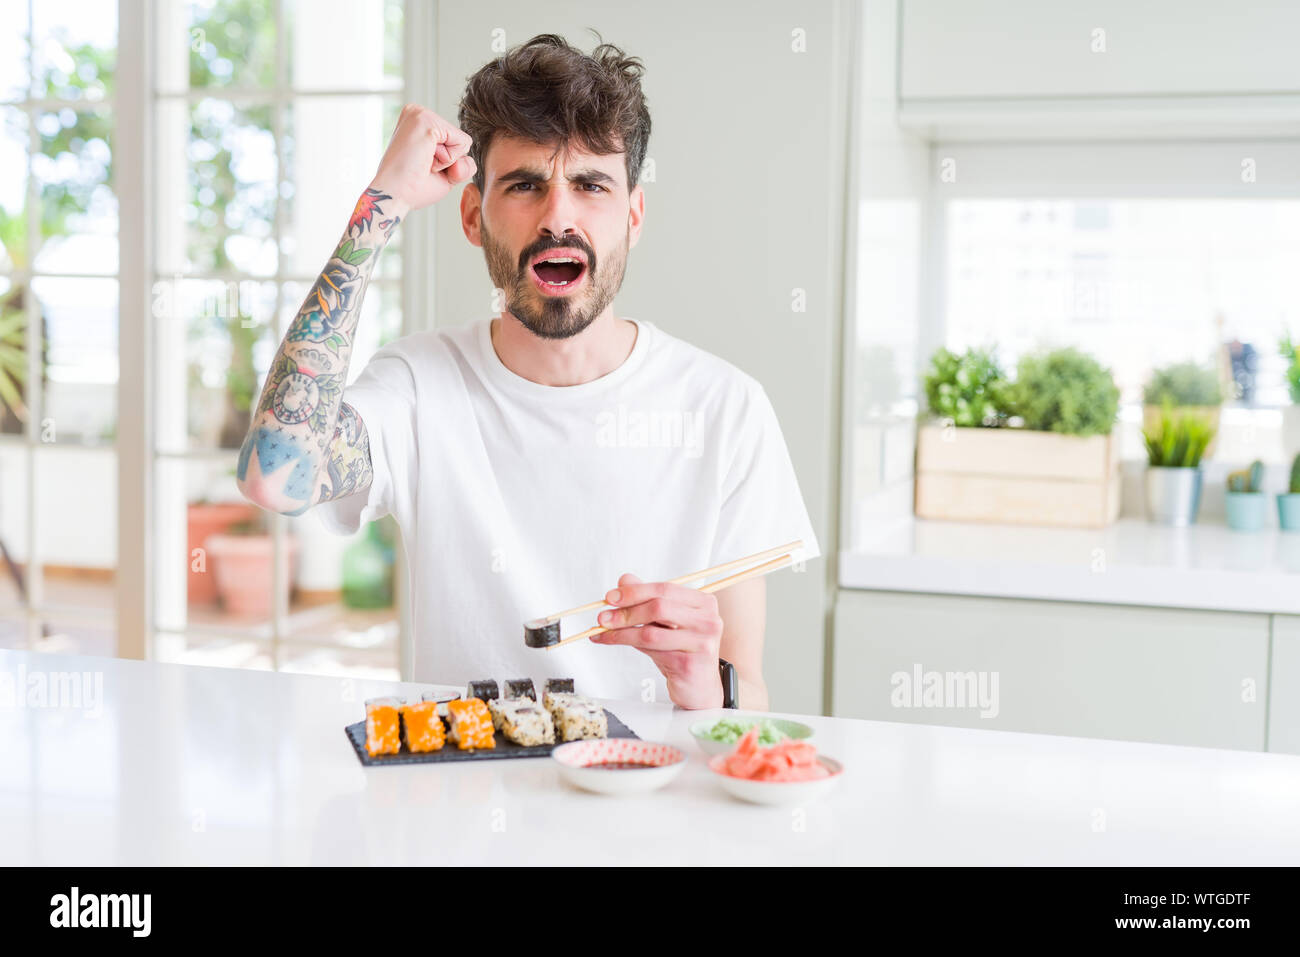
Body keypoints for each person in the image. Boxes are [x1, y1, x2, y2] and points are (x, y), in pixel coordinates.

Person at [236, 34, 817, 710]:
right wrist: (379, 206)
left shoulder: (727, 409)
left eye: (590, 185)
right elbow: (274, 476)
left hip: (649, 805)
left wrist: (699, 681)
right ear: (473, 216)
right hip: (457, 796)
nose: (558, 217)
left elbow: (751, 706)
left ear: (632, 216)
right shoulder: (419, 385)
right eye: (525, 185)